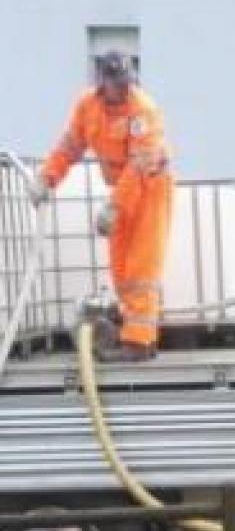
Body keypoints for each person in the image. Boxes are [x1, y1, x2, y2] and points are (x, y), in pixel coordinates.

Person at [33, 51, 173, 362]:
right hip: (120, 193)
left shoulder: (142, 110)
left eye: (126, 82)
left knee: (141, 266)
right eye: (117, 84)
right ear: (102, 83)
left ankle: (138, 343)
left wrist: (113, 208)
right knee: (121, 267)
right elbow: (69, 146)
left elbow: (139, 168)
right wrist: (47, 178)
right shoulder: (87, 106)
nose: (123, 89)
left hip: (150, 189)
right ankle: (138, 335)